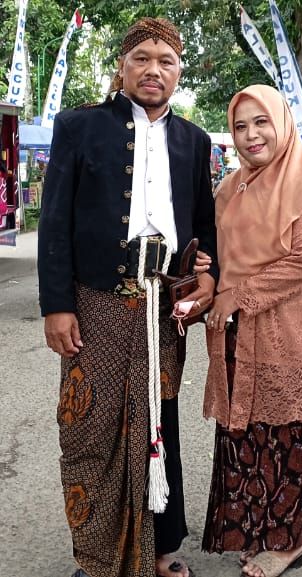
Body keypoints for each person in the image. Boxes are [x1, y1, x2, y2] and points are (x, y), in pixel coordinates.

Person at [37, 18, 215, 577]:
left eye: (166, 60)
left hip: (164, 309)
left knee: (157, 423)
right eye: (141, 57)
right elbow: (54, 221)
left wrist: (208, 276)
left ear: (179, 71)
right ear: (122, 64)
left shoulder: (194, 139)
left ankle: (159, 551)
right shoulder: (79, 127)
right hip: (95, 302)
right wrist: (56, 305)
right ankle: (96, 559)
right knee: (90, 427)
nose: (153, 69)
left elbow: (205, 228)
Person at [199, 85, 302, 577]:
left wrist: (239, 295)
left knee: (292, 437)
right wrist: (206, 277)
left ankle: (288, 542)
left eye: (261, 122)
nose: (250, 135)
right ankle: (257, 530)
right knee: (248, 433)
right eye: (240, 126)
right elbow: (218, 257)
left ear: (281, 124)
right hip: (238, 333)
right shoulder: (230, 189)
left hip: (295, 329)